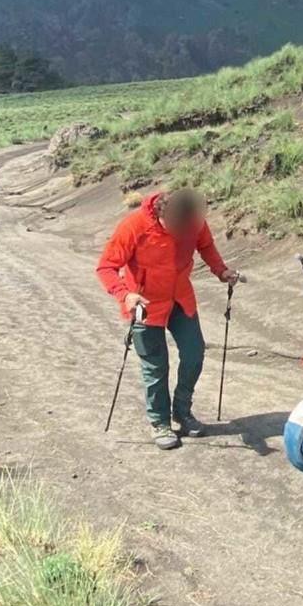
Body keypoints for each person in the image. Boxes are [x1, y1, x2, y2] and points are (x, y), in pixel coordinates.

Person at [96, 188, 242, 450]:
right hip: (145, 304)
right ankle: (160, 422)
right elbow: (106, 267)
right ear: (162, 215)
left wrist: (221, 270)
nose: (183, 233)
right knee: (156, 367)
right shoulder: (134, 226)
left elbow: (206, 245)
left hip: (180, 299)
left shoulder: (192, 220)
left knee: (194, 353)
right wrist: (124, 294)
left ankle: (183, 412)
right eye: (177, 228)